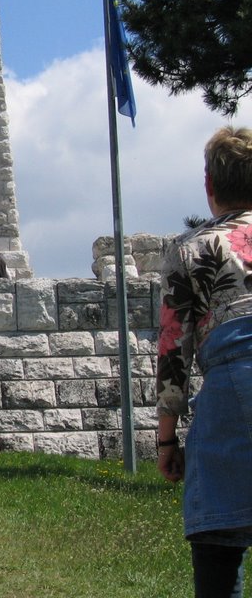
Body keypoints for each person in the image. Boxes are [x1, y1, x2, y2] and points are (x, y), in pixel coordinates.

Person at [157, 126, 252, 597]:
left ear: (210, 187)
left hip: (232, 390)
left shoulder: (190, 248)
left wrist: (166, 442)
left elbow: (173, 352)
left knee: (220, 542)